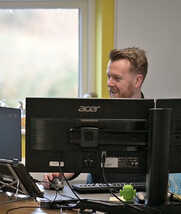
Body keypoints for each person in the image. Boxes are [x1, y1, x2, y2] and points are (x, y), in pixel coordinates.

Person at [44, 47, 149, 187]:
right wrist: (59, 173)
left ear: (137, 81)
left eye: (116, 78)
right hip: (99, 198)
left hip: (140, 198)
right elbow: (79, 159)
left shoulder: (156, 120)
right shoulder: (95, 116)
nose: (109, 83)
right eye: (108, 76)